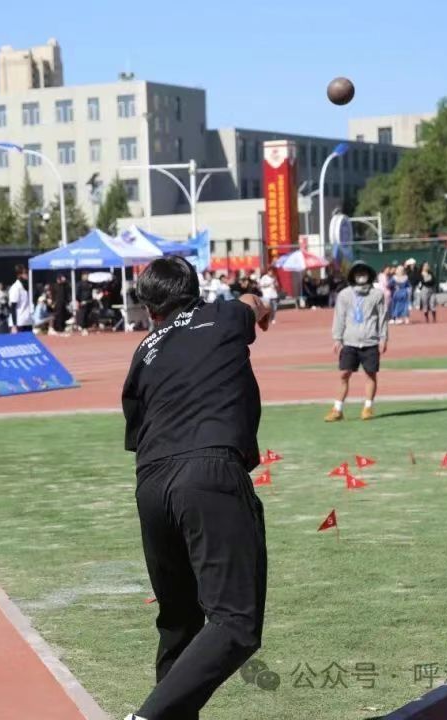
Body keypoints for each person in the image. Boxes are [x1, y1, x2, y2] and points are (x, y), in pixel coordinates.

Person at [121, 256, 271, 720]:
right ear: (195, 290)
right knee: (235, 622)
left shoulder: (143, 352)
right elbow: (253, 302)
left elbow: (137, 430)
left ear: (149, 308)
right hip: (208, 473)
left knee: (179, 623)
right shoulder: (223, 315)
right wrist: (263, 311)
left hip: (151, 485)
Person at [326, 261, 389, 422]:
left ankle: (368, 407)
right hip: (350, 341)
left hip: (370, 341)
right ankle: (337, 409)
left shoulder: (377, 294)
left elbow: (382, 317)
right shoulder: (344, 295)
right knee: (344, 374)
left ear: (369, 275)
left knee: (370, 374)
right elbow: (339, 317)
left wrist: (383, 338)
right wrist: (337, 338)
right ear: (352, 276)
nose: (361, 276)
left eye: (364, 272)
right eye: (358, 273)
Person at [8, 265, 33, 333]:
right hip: (19, 323)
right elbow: (12, 307)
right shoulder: (15, 288)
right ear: (19, 275)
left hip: (27, 322)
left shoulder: (25, 287)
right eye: (25, 273)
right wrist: (14, 325)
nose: (27, 275)